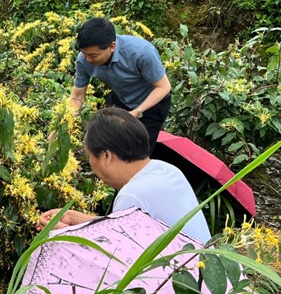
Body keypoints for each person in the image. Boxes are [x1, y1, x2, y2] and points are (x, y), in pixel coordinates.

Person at [38, 108, 210, 243]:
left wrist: (63, 233)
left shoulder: (131, 195)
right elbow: (120, 227)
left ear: (106, 156)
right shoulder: (166, 170)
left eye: (90, 157)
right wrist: (75, 219)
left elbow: (117, 256)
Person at [68, 17, 171, 153]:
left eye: (93, 55)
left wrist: (135, 113)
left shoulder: (141, 53)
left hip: (152, 104)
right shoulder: (84, 59)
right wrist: (64, 124)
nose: (88, 59)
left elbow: (163, 87)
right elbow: (77, 96)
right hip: (122, 98)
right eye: (84, 54)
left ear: (112, 46)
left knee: (138, 151)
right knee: (111, 145)